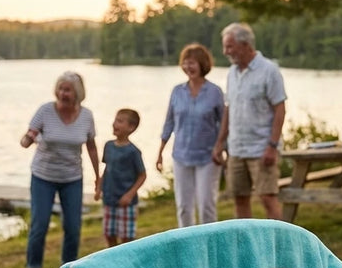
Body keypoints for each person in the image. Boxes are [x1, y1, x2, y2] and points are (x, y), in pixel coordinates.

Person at [20, 71, 100, 268]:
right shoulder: (45, 111)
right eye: (61, 89)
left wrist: (97, 176)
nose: (63, 94)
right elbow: (28, 136)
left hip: (72, 177)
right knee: (40, 224)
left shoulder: (86, 116)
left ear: (78, 93)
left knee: (73, 226)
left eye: (68, 90)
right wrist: (28, 139)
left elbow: (91, 146)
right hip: (43, 176)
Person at [212, 22, 287, 219]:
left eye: (230, 46)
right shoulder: (232, 73)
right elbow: (229, 109)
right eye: (225, 46)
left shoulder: (269, 70)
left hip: (261, 148)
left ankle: (280, 246)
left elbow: (280, 109)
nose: (226, 51)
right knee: (240, 198)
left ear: (245, 45)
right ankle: (245, 248)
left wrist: (272, 145)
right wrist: (220, 143)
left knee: (267, 198)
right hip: (236, 148)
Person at [156, 43, 225, 227]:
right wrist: (160, 152)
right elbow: (169, 122)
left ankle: (209, 247)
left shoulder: (215, 92)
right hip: (181, 156)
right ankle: (186, 248)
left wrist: (222, 148)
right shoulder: (177, 91)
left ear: (202, 64)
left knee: (206, 206)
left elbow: (225, 124)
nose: (188, 67)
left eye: (192, 63)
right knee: (184, 208)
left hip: (208, 158)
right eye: (185, 63)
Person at [96, 109, 147, 247]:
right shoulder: (108, 146)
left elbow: (142, 175)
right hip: (109, 199)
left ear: (131, 127)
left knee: (126, 237)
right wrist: (99, 188)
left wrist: (129, 195)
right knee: (109, 233)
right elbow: (107, 168)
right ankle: (112, 262)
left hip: (126, 203)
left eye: (120, 121)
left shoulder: (133, 151)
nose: (114, 124)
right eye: (115, 120)